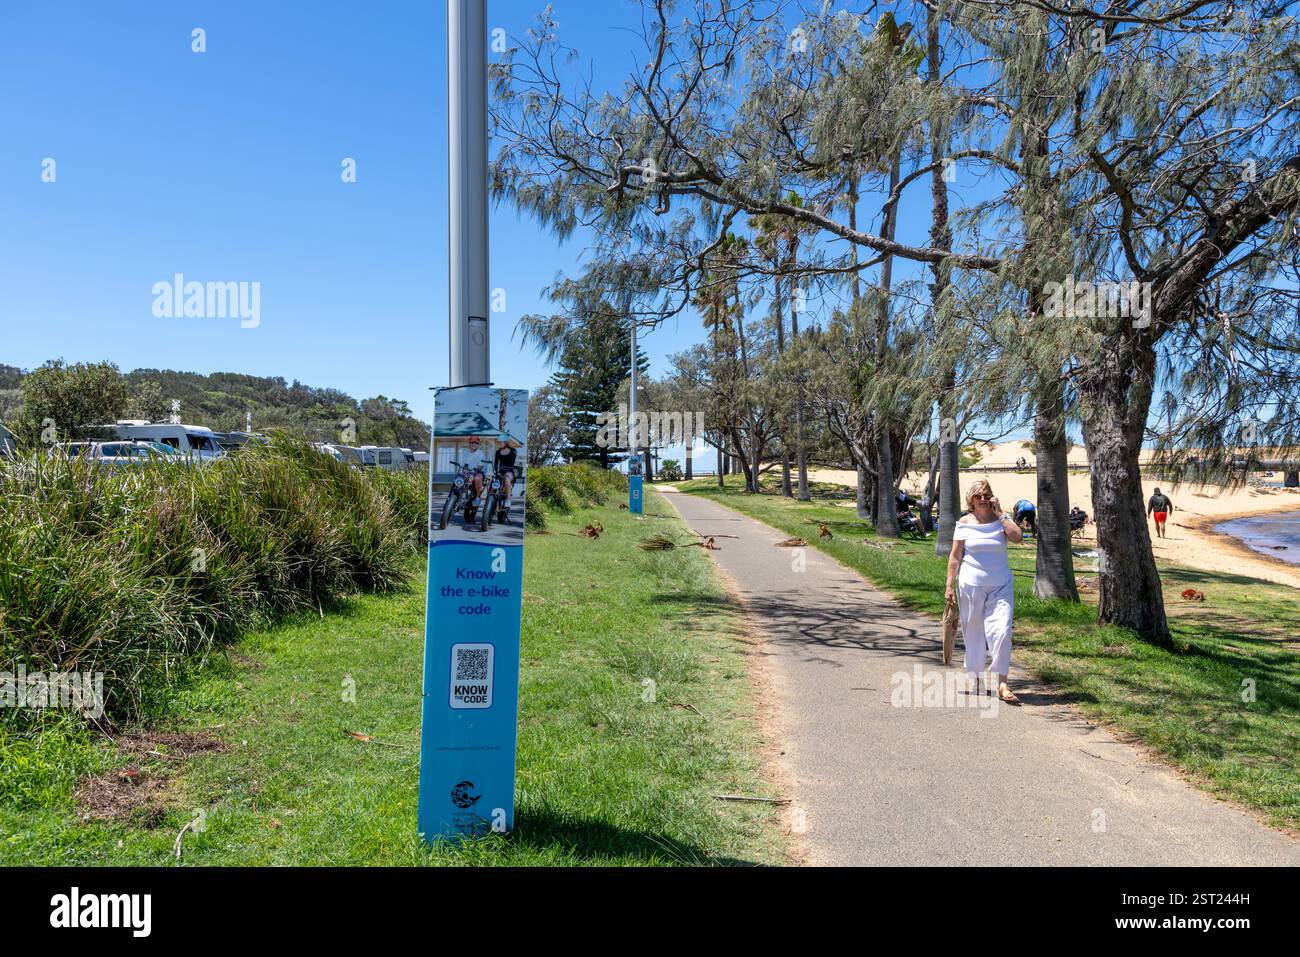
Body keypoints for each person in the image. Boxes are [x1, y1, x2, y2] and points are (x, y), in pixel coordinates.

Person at [945, 480, 1024, 704]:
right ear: (971, 499)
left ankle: (1002, 683)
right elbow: (955, 555)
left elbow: (1018, 538)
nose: (982, 498)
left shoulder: (1001, 521)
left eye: (986, 494)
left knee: (1002, 631)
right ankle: (976, 679)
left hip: (1001, 585)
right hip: (970, 585)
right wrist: (949, 585)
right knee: (974, 633)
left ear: (992, 497)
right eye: (978, 495)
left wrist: (1000, 514)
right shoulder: (964, 523)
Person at [493, 433, 518, 519]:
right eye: (499, 441)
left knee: (507, 478)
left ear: (506, 441)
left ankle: (508, 500)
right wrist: (496, 471)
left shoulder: (513, 451)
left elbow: (511, 463)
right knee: (492, 482)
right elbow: (496, 464)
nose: (500, 443)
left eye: (502, 441)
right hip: (500, 472)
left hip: (509, 471)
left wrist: (504, 471)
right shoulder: (498, 452)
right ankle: (491, 499)